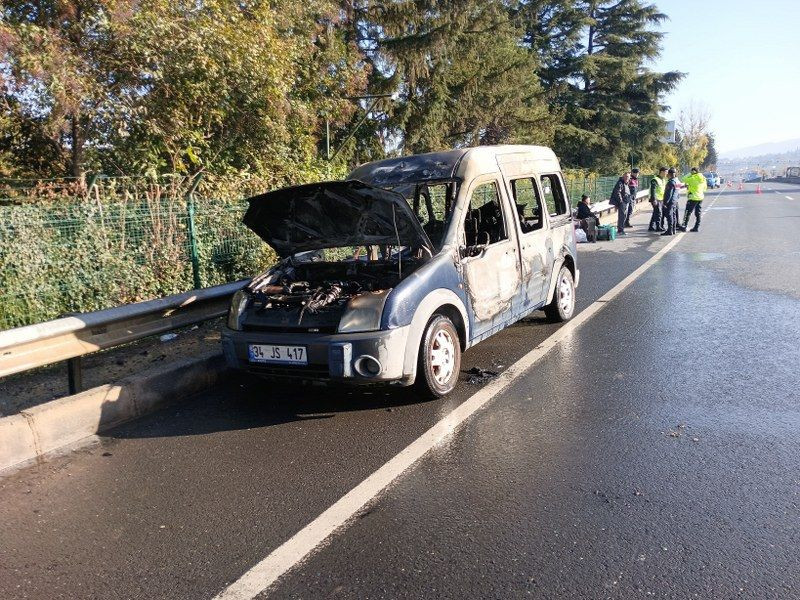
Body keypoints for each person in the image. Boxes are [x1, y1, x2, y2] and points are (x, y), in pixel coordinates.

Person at [679, 166, 707, 232]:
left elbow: (683, 179)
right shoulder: (703, 178)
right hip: (700, 198)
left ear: (693, 171)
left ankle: (684, 226)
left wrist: (690, 174)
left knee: (687, 212)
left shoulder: (693, 178)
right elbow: (705, 189)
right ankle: (696, 227)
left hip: (692, 198)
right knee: (698, 213)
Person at [610, 171, 632, 236]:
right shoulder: (620, 183)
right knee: (622, 216)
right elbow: (617, 192)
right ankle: (620, 230)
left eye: (628, 176)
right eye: (625, 176)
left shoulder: (626, 183)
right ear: (623, 177)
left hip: (626, 201)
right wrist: (621, 201)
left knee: (624, 216)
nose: (626, 178)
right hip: (623, 202)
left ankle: (621, 229)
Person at [661, 168, 680, 236]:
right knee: (674, 215)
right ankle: (673, 229)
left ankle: (669, 230)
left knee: (669, 215)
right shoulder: (677, 181)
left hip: (670, 201)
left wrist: (665, 203)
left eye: (667, 174)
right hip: (675, 201)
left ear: (669, 174)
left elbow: (668, 194)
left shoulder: (671, 182)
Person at [648, 167, 667, 231]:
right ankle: (658, 227)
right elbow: (653, 190)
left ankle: (651, 226)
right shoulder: (655, 180)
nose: (666, 174)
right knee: (659, 212)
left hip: (661, 199)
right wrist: (654, 200)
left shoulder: (663, 180)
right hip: (656, 199)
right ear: (661, 172)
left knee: (655, 213)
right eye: (665, 172)